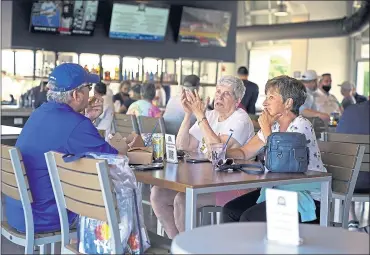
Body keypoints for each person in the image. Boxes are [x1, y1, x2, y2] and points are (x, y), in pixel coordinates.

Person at [5, 63, 120, 233]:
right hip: (46, 216)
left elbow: (69, 137)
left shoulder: (39, 113)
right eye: (88, 87)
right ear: (76, 94)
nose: (91, 93)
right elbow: (114, 159)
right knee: (114, 206)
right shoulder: (76, 125)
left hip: (18, 213)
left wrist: (86, 120)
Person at [150, 75, 255, 239]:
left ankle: (189, 247)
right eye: (218, 91)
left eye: (226, 94)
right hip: (202, 181)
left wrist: (200, 116)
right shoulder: (211, 115)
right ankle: (176, 243)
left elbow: (216, 152)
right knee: (158, 194)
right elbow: (183, 145)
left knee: (183, 200)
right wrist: (188, 114)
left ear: (238, 99)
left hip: (231, 186)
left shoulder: (240, 119)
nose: (219, 96)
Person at [223, 75, 327, 224]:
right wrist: (221, 152)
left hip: (305, 195)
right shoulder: (274, 127)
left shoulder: (301, 125)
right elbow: (244, 152)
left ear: (288, 103)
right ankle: (233, 248)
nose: (265, 103)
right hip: (277, 189)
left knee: (249, 218)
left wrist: (265, 128)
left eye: (271, 97)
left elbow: (281, 162)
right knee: (230, 211)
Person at [336, 101, 370, 232]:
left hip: (343, 183)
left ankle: (351, 218)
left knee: (348, 168)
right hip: (366, 182)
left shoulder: (349, 110)